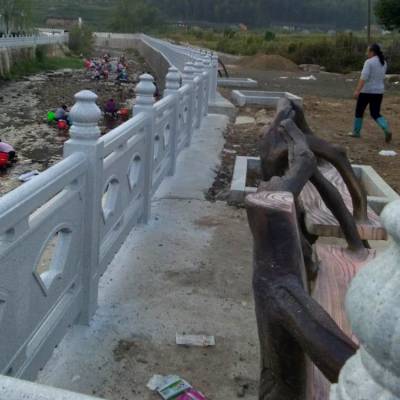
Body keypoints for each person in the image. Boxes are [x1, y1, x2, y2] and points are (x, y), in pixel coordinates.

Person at [351, 43, 392, 143]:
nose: (366, 53)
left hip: (366, 91)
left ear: (372, 52)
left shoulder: (369, 62)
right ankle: (386, 128)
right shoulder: (383, 62)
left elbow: (363, 78)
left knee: (359, 111)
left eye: (368, 51)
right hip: (379, 91)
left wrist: (357, 90)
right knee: (375, 113)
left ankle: (356, 132)